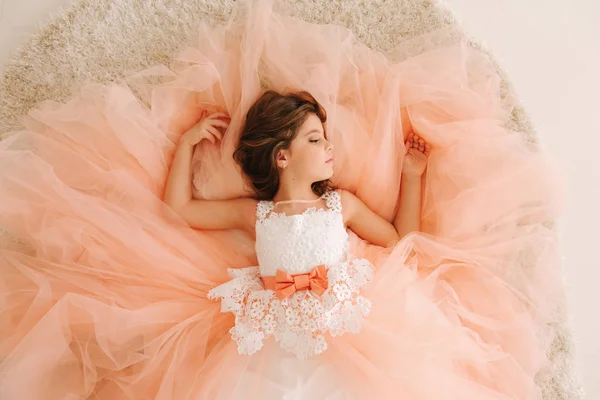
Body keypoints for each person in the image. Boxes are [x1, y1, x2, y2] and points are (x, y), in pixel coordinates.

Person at [0, 0, 563, 399]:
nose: (329, 150)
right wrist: (186, 143)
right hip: (269, 332)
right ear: (282, 157)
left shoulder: (341, 204)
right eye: (316, 140)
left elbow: (399, 240)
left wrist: (412, 175)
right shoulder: (258, 214)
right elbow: (181, 211)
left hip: (351, 326)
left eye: (327, 138)